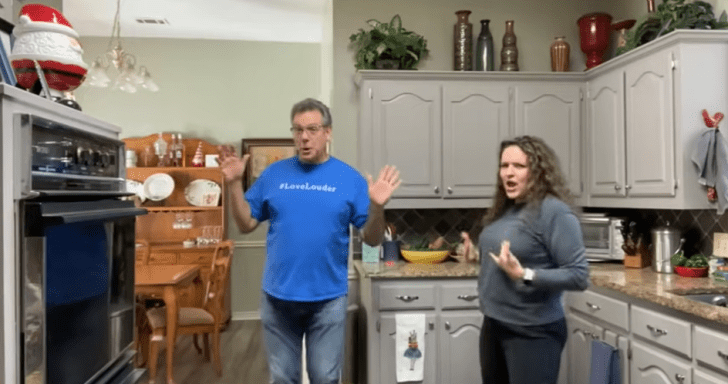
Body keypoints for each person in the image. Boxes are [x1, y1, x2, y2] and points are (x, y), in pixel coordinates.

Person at [218, 97, 400, 384]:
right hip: (278, 298)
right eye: (298, 129)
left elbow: (373, 239)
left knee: (325, 378)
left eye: (312, 129)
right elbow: (245, 223)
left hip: (327, 299)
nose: (304, 137)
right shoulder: (274, 174)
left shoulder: (349, 178)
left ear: (328, 132)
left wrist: (377, 206)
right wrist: (232, 184)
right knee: (282, 378)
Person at [474, 135, 589, 384]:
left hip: (532, 332)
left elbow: (579, 275)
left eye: (519, 166)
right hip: (494, 325)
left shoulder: (553, 211)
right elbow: (509, 253)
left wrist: (524, 274)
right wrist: (476, 253)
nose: (509, 173)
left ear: (537, 171)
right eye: (504, 166)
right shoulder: (506, 208)